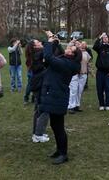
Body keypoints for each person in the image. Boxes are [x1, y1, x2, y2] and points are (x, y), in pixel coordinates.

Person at [39, 31, 81, 165]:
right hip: (55, 95)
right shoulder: (65, 60)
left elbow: (49, 56)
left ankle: (64, 154)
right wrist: (55, 41)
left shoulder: (67, 64)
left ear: (73, 55)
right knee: (55, 125)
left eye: (71, 49)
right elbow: (51, 57)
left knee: (59, 127)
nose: (68, 48)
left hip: (58, 97)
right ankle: (59, 150)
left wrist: (50, 41)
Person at [27, 39, 51, 143]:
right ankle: (38, 134)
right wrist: (50, 41)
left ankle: (36, 132)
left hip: (39, 85)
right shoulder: (37, 55)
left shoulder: (36, 54)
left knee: (38, 109)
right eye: (38, 43)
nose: (41, 43)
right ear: (35, 47)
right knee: (44, 109)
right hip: (39, 85)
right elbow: (47, 51)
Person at [94, 33, 109, 111]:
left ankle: (108, 104)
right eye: (103, 38)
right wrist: (99, 37)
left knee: (108, 89)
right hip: (100, 72)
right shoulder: (100, 48)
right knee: (99, 89)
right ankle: (101, 104)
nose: (104, 38)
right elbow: (95, 47)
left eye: (106, 37)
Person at [68, 40, 91, 113]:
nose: (78, 45)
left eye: (79, 43)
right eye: (77, 44)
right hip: (75, 73)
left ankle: (77, 105)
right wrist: (71, 43)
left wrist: (89, 71)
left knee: (79, 90)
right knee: (73, 90)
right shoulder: (72, 53)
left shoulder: (86, 53)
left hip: (83, 73)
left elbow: (88, 63)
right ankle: (71, 106)